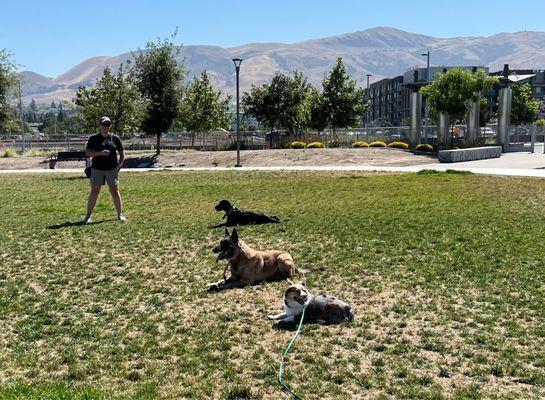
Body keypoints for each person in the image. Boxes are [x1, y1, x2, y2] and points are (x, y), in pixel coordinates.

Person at [82, 116, 126, 223]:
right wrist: (100, 153)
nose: (105, 127)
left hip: (112, 169)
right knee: (94, 192)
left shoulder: (115, 138)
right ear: (99, 126)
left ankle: (120, 214)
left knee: (114, 191)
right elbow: (87, 153)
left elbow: (122, 152)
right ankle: (88, 216)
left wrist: (119, 165)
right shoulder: (93, 138)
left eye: (108, 124)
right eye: (103, 124)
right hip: (97, 169)